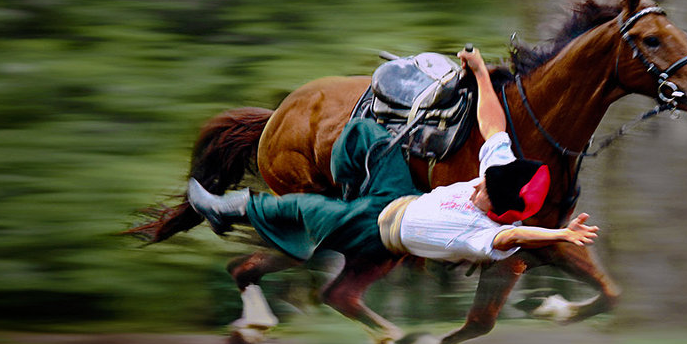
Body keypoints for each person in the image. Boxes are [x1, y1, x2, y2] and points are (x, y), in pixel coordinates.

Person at [186, 48, 598, 265]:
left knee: (305, 206)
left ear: (498, 207)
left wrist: (561, 235)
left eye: (487, 186)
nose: (481, 181)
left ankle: (227, 209)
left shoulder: (485, 238)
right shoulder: (498, 173)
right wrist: (478, 73)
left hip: (380, 227)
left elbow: (517, 236)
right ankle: (349, 182)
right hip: (397, 193)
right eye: (490, 174)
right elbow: (492, 125)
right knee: (369, 133)